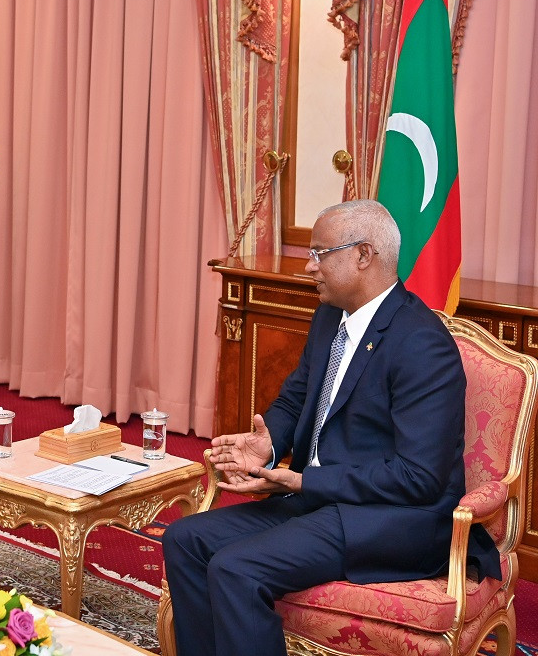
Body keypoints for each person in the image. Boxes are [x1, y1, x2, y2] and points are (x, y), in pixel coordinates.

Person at [162, 199, 500, 656]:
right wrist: (268, 443)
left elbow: (420, 477)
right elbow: (296, 397)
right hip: (323, 500)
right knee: (185, 539)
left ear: (364, 255)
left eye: (320, 253)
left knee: (236, 568)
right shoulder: (330, 317)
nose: (309, 266)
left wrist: (306, 481)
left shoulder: (421, 344)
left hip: (390, 517)